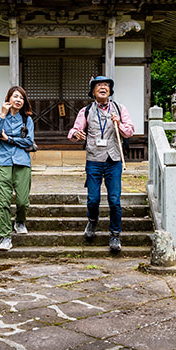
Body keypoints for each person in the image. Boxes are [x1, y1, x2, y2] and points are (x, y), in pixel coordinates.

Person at [68, 76, 134, 253]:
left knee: (114, 200)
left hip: (114, 160)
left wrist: (119, 124)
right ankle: (92, 221)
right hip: (93, 160)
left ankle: (115, 233)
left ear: (110, 90)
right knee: (93, 198)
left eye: (106, 85)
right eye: (99, 85)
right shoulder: (86, 110)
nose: (103, 88)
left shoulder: (120, 109)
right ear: (93, 91)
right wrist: (76, 134)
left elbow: (129, 132)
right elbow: (74, 130)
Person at [0, 86, 35, 252]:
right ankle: (5, 236)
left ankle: (20, 221)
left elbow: (29, 141)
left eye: (21, 98)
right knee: (3, 201)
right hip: (3, 162)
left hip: (22, 162)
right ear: (8, 99)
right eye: (15, 96)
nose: (18, 100)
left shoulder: (27, 120)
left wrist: (8, 139)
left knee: (22, 200)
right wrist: (2, 114)